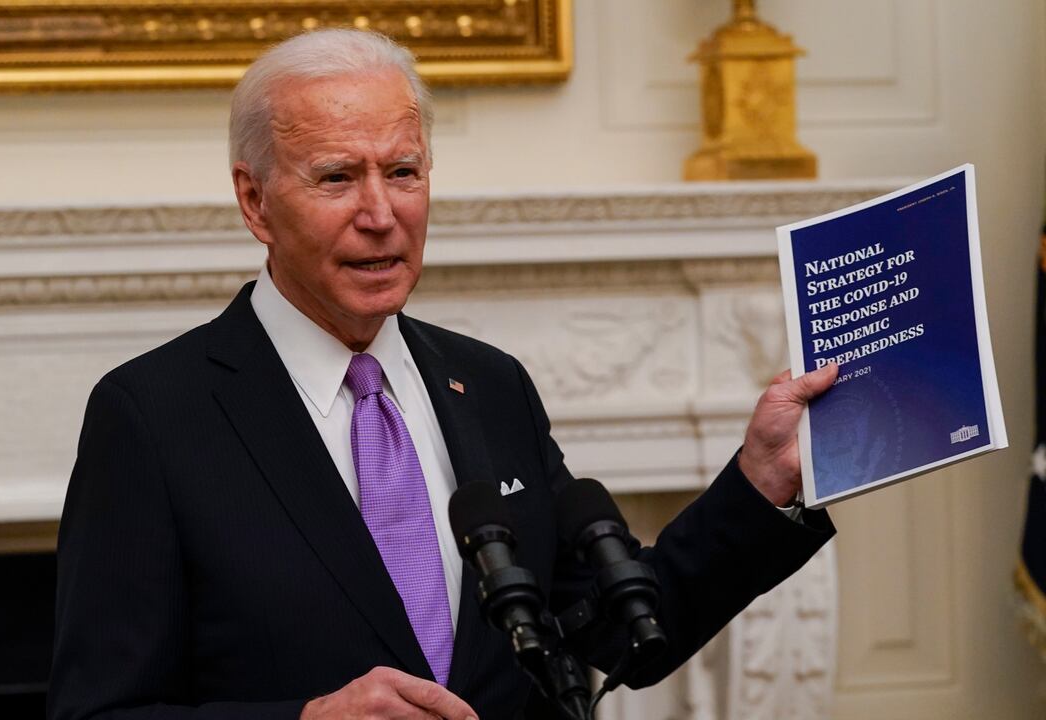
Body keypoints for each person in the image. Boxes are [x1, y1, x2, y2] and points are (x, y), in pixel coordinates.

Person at [48, 29, 838, 720]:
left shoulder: (490, 386)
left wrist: (760, 482)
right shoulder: (152, 416)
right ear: (255, 202)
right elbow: (100, 711)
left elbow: (613, 626)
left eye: (403, 172)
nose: (381, 212)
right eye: (336, 178)